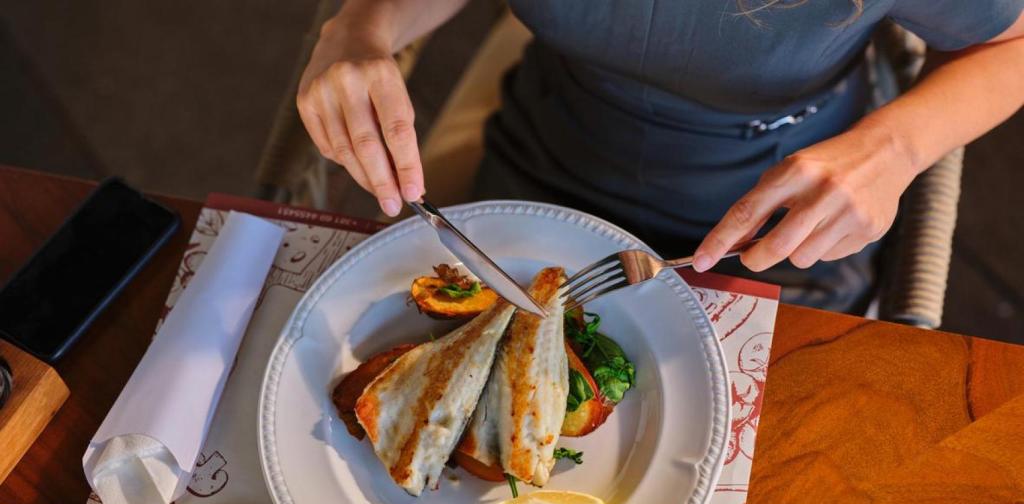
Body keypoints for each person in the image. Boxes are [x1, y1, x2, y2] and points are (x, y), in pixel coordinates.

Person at [296, 0, 1024, 311]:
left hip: (786, 213)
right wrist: (362, 26)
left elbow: (1012, 42)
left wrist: (895, 147)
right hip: (547, 153)